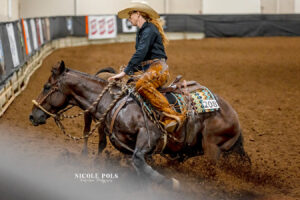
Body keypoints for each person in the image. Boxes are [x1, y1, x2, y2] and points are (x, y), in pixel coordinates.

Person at [108, 2, 185, 133]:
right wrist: (129, 71)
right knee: (131, 86)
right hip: (151, 69)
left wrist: (125, 72)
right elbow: (142, 57)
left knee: (142, 85)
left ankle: (171, 116)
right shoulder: (143, 31)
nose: (128, 18)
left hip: (159, 69)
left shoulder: (149, 30)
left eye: (130, 14)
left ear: (138, 14)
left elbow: (141, 53)